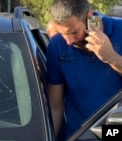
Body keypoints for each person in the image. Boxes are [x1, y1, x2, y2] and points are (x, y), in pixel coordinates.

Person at [46, 0, 122, 140]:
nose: (69, 41)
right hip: (79, 136)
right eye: (63, 34)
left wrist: (112, 57)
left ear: (90, 18)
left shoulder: (120, 30)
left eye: (74, 32)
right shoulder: (56, 45)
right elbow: (55, 106)